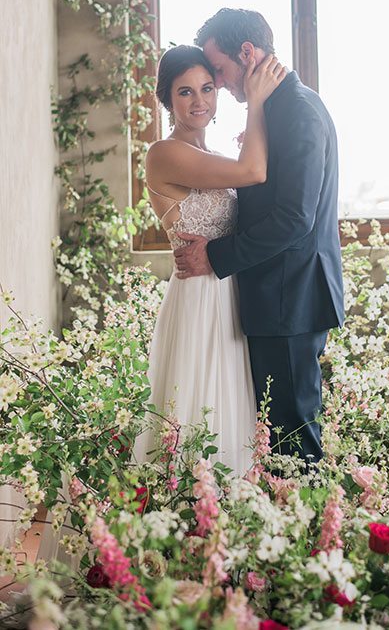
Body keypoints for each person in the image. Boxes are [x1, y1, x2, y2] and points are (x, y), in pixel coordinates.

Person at [174, 9, 344, 464]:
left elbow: (294, 218)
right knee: (275, 438)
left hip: (290, 299)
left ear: (247, 53)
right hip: (275, 297)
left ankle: (307, 534)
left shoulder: (298, 111)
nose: (220, 84)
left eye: (221, 71)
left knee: (293, 442)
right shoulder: (277, 108)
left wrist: (216, 256)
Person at [134, 44, 286, 475]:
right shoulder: (163, 154)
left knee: (230, 413)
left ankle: (227, 529)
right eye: (185, 92)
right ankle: (182, 523)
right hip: (199, 298)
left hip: (231, 294)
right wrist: (256, 102)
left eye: (206, 88)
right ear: (166, 99)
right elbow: (254, 172)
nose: (199, 101)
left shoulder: (216, 154)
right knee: (197, 413)